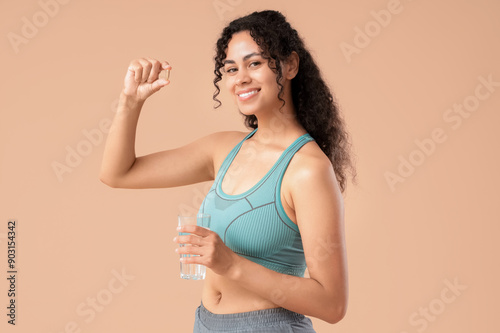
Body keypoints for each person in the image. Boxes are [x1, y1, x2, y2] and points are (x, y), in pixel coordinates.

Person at [100, 9, 356, 333]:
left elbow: (332, 304)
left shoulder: (307, 170)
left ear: (290, 65)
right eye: (231, 69)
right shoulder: (223, 150)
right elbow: (118, 173)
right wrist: (130, 101)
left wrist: (230, 264)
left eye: (255, 63)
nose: (240, 79)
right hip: (205, 324)